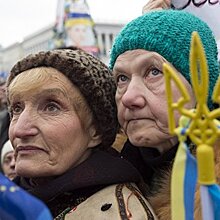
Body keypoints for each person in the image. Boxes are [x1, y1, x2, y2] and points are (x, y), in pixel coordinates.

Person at [6, 47, 157, 219]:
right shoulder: (10, 200)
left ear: (95, 131)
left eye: (51, 107)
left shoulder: (120, 212)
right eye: (17, 109)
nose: (20, 130)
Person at [109, 9, 220, 219]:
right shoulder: (103, 172)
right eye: (122, 78)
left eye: (154, 72)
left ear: (201, 87)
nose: (128, 97)